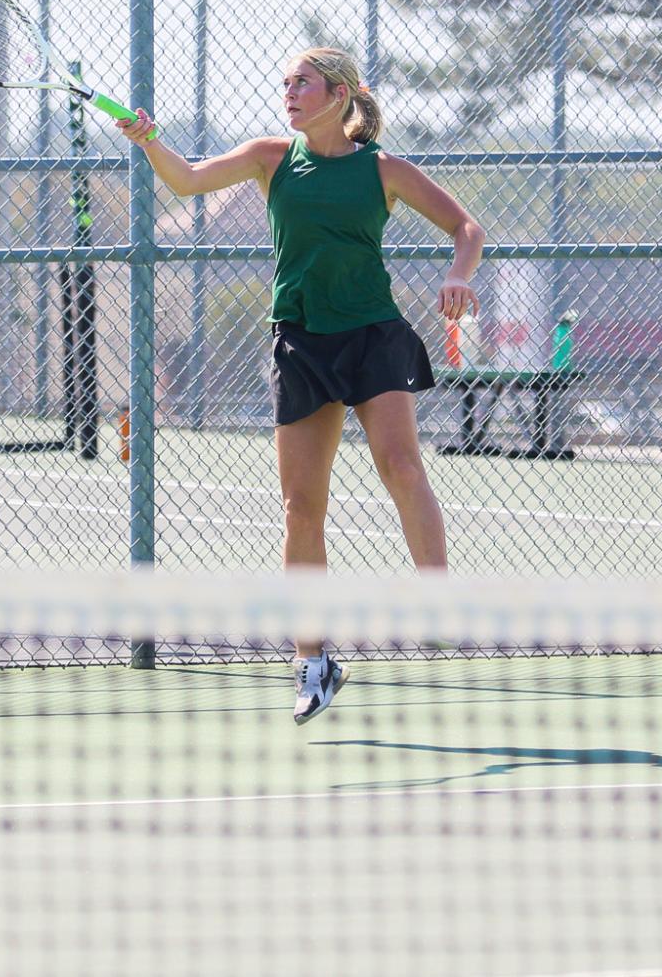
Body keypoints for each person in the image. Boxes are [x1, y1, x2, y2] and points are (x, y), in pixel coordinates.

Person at [114, 47, 485, 724]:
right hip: (301, 341)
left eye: (302, 83)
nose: (289, 93)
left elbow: (466, 227)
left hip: (372, 333)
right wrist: (150, 142)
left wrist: (459, 272)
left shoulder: (383, 170)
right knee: (299, 506)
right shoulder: (269, 157)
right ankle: (312, 661)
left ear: (341, 94)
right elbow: (188, 181)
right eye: (284, 82)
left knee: (402, 467)